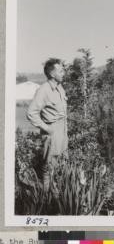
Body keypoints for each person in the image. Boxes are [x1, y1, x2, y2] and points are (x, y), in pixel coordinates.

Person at [27, 58, 68, 191]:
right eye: (61, 71)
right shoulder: (43, 90)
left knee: (61, 164)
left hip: (62, 130)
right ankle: (46, 201)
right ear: (51, 74)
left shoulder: (60, 88)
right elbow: (31, 113)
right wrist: (47, 129)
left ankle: (59, 199)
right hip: (52, 132)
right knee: (49, 167)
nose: (64, 73)